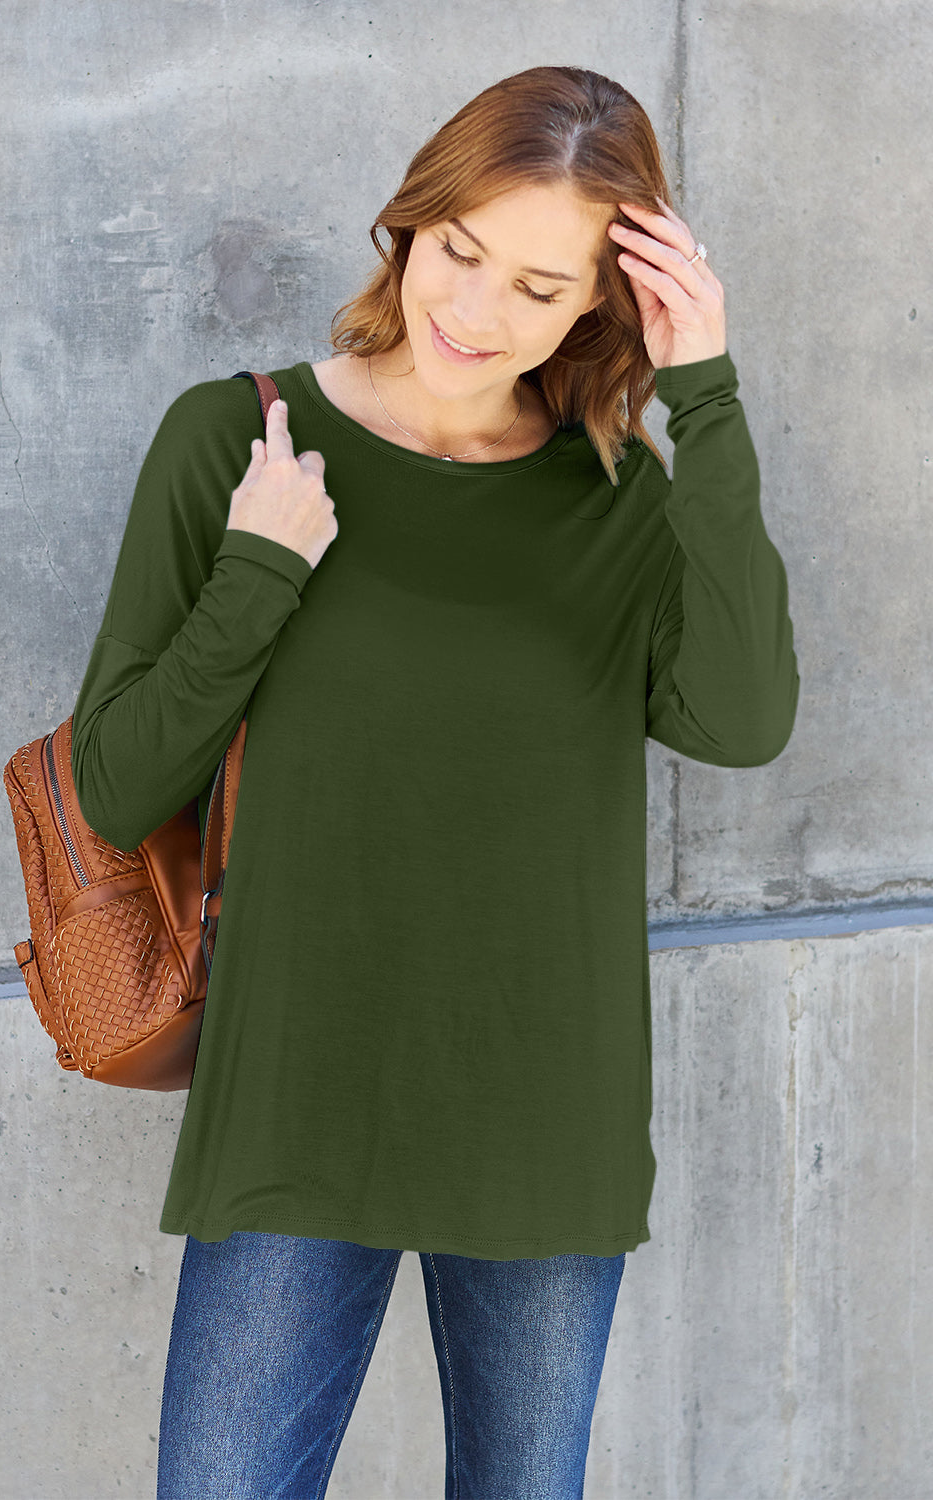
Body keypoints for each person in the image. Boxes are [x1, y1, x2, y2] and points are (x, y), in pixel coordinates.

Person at [70, 64, 799, 1500]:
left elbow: (742, 718)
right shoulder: (242, 441)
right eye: (460, 253)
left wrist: (704, 397)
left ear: (601, 305)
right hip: (297, 1095)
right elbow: (111, 786)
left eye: (540, 289)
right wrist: (257, 577)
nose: (474, 314)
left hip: (545, 1110)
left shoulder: (615, 501)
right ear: (413, 222)